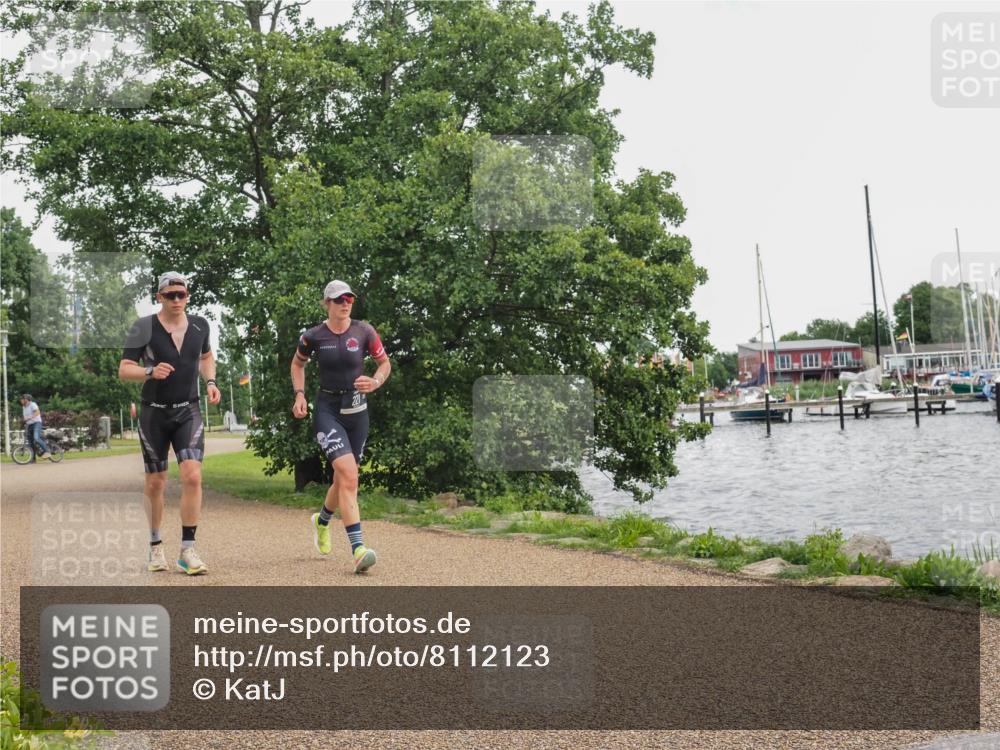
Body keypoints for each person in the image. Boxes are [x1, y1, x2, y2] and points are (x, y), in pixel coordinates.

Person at [118, 272, 221, 575]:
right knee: (156, 482)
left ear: (188, 296)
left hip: (188, 410)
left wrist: (211, 381)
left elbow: (206, 356)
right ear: (159, 296)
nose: (177, 300)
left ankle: (187, 550)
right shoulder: (143, 328)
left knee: (192, 476)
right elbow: (124, 369)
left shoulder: (201, 325)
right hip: (154, 413)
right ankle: (154, 545)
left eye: (182, 294)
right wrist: (149, 372)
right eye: (171, 295)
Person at [291, 280, 390, 573]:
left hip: (358, 412)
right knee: (349, 474)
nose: (345, 303)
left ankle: (322, 521)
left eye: (349, 299)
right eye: (338, 299)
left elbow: (385, 363)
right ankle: (359, 549)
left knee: (342, 478)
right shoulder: (312, 336)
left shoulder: (364, 331)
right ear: (326, 304)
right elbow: (297, 364)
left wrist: (375, 381)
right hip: (328, 410)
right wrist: (299, 394)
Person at [19, 394, 51, 461]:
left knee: (36, 438)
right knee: (30, 442)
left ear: (26, 400)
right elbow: (25, 417)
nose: (20, 401)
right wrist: (24, 422)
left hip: (36, 423)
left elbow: (37, 412)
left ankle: (47, 451)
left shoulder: (32, 404)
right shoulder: (23, 407)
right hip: (29, 425)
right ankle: (33, 458)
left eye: (22, 399)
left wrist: (30, 417)